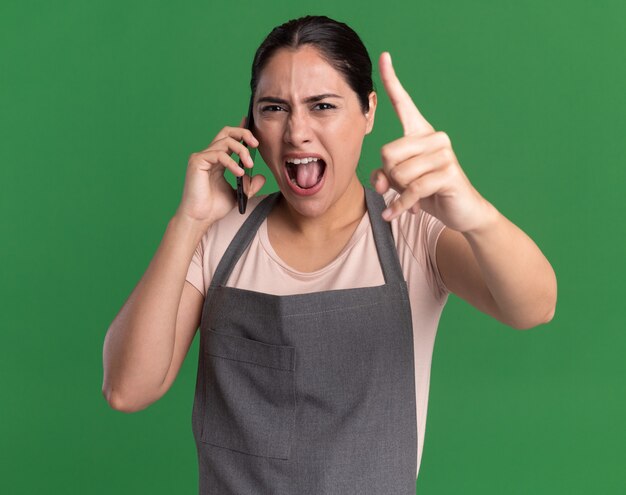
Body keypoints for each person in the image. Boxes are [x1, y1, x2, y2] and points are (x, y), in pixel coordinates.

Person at [102, 15, 557, 495]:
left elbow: (534, 307)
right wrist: (188, 221)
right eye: (274, 108)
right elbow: (126, 389)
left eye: (322, 105)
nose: (297, 132)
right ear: (251, 124)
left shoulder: (413, 230)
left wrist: (473, 212)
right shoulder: (218, 234)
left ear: (368, 112)